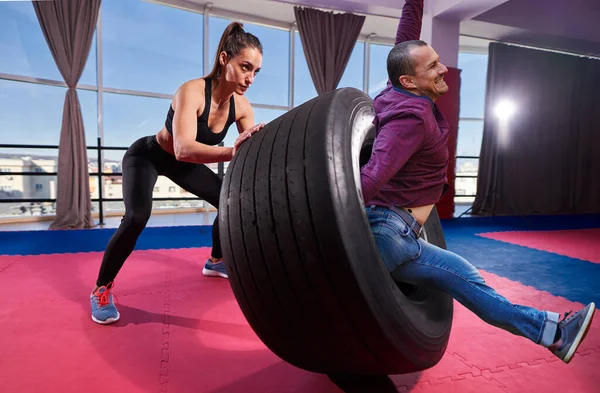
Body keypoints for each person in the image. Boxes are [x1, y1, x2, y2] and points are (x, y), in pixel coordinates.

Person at [361, 0, 595, 364]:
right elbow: (372, 177)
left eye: (440, 61)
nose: (444, 70)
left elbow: (406, 37)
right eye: (434, 67)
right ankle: (554, 333)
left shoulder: (398, 87)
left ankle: (556, 334)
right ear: (409, 80)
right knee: (466, 280)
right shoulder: (409, 118)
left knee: (466, 280)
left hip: (398, 234)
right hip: (390, 231)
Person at [90, 22, 265, 325]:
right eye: (244, 67)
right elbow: (184, 148)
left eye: (255, 72)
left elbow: (248, 148)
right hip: (148, 156)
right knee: (136, 217)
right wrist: (230, 151)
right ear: (224, 59)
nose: (249, 79)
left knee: (229, 200)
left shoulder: (242, 107)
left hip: (184, 165)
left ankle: (216, 260)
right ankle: (101, 290)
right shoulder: (192, 91)